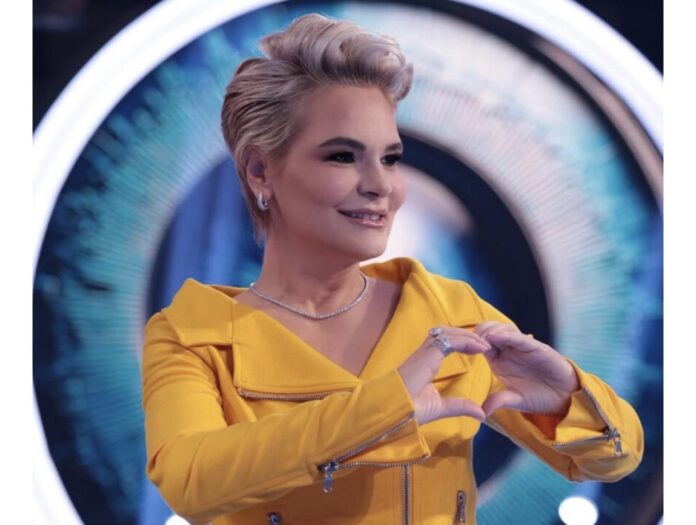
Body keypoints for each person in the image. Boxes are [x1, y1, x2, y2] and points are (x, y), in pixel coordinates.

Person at [141, 13, 643, 525]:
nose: (380, 185)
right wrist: (387, 406)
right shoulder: (197, 336)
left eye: (390, 158)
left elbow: (612, 459)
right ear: (259, 170)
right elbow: (190, 483)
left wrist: (567, 398)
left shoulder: (445, 310)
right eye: (343, 156)